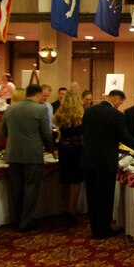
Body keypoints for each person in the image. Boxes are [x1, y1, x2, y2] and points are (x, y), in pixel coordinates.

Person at [81, 89, 134, 239]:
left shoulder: (89, 111)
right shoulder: (116, 115)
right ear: (116, 99)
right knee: (105, 195)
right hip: (106, 161)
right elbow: (123, 136)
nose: (120, 106)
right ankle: (104, 229)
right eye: (120, 103)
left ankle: (95, 227)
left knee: (92, 195)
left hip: (89, 159)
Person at [0, 84, 54, 232]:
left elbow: (3, 132)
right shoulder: (39, 109)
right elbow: (46, 133)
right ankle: (26, 221)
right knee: (31, 187)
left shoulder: (10, 109)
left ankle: (15, 219)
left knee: (15, 188)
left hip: (13, 154)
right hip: (32, 154)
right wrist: (51, 148)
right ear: (37, 95)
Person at [53, 90, 85, 225]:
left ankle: (66, 208)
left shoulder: (59, 115)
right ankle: (73, 210)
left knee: (65, 180)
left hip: (64, 148)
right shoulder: (81, 115)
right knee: (76, 181)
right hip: (77, 148)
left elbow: (56, 131)